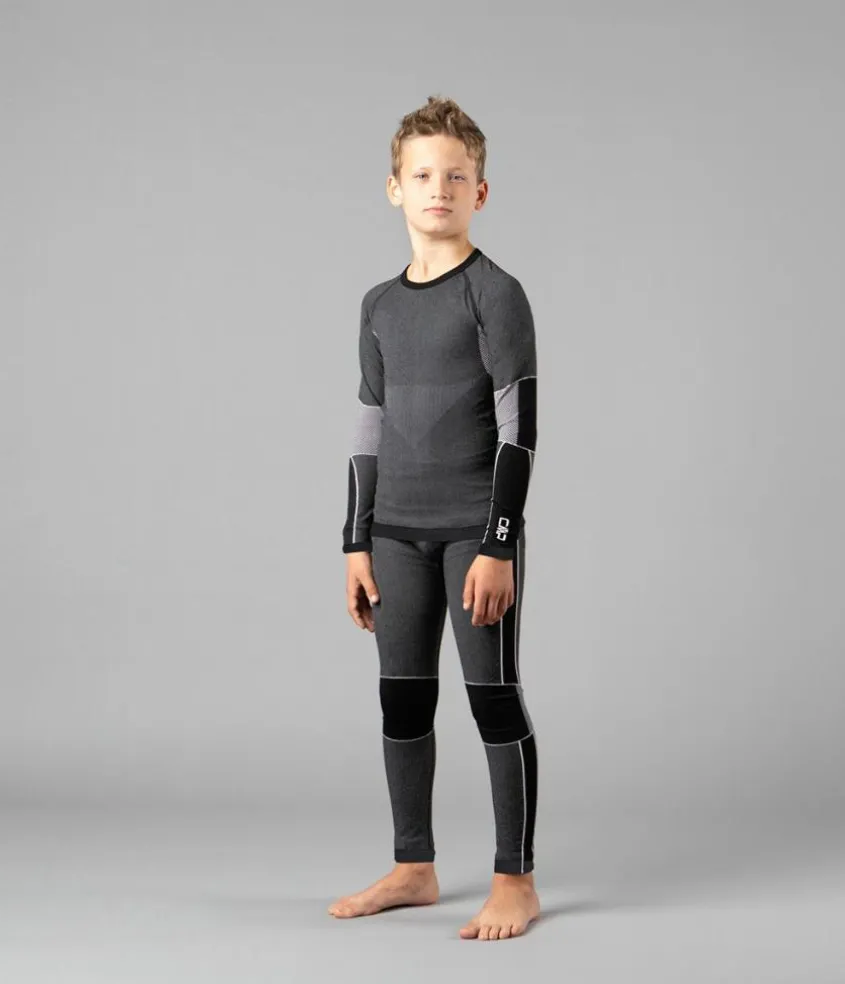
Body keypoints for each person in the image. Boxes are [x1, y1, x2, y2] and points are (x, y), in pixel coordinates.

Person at [329, 95, 540, 941]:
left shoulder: (497, 293)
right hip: (395, 535)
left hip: (472, 535)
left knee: (493, 698)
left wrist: (499, 543)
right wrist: (355, 539)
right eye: (423, 175)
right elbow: (368, 427)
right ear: (395, 189)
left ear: (480, 192)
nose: (439, 189)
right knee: (402, 703)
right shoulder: (379, 304)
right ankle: (413, 867)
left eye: (456, 176)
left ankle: (515, 880)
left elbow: (521, 431)